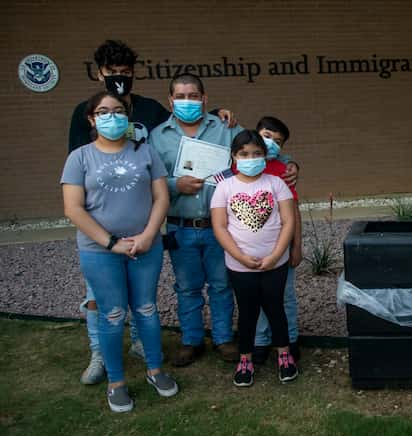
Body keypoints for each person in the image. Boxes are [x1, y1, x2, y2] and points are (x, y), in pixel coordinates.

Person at [69, 40, 236, 384]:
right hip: (105, 229)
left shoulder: (152, 111)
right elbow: (79, 183)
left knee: (154, 298)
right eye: (112, 73)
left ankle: (153, 350)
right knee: (101, 299)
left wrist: (218, 111)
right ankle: (100, 354)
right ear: (100, 74)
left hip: (164, 226)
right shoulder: (86, 121)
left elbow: (205, 135)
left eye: (125, 73)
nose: (119, 78)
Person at [62, 91, 177, 413]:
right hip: (100, 251)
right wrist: (112, 242)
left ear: (127, 117)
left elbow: (161, 198)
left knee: (146, 309)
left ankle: (155, 370)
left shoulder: (147, 153)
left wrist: (149, 235)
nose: (112, 117)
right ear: (91, 118)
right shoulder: (80, 157)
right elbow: (73, 209)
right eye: (103, 111)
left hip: (145, 246)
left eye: (118, 111)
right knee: (112, 315)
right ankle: (116, 382)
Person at [149, 73, 242, 366]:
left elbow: (256, 151)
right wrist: (177, 185)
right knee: (187, 287)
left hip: (219, 226)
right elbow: (152, 178)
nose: (187, 101)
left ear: (204, 99)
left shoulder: (225, 128)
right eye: (180, 96)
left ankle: (223, 338)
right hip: (181, 226)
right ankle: (191, 340)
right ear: (170, 101)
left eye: (193, 96)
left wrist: (289, 162)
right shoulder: (158, 136)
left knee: (221, 285)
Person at [210, 130, 298, 385]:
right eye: (244, 154)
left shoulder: (276, 183)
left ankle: (284, 355)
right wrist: (240, 257)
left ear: (265, 155)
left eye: (257, 154)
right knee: (248, 312)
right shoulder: (224, 187)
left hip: (275, 263)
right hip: (240, 266)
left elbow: (288, 220)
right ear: (234, 157)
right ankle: (245, 358)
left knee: (275, 308)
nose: (251, 158)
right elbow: (220, 227)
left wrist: (276, 254)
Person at [251, 116, 303, 365]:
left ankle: (290, 339)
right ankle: (260, 341)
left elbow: (293, 210)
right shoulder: (238, 168)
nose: (270, 143)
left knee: (285, 296)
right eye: (266, 136)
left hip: (280, 246)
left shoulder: (282, 170)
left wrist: (297, 245)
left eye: (278, 141)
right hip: (249, 247)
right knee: (256, 296)